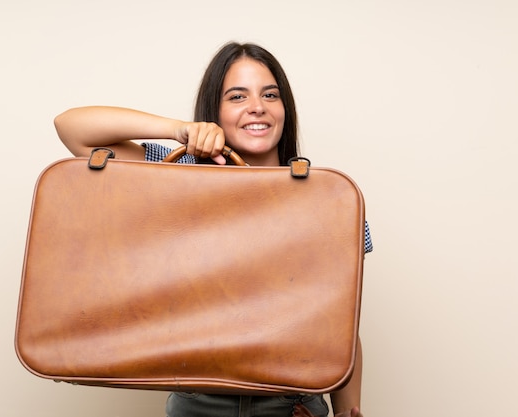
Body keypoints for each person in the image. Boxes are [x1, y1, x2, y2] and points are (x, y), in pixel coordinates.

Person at [54, 41, 372, 417]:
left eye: (270, 94)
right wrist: (179, 130)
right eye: (237, 96)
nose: (257, 106)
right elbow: (72, 128)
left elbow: (340, 326)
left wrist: (350, 411)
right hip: (197, 404)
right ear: (215, 112)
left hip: (293, 404)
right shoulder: (177, 175)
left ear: (284, 109)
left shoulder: (327, 199)